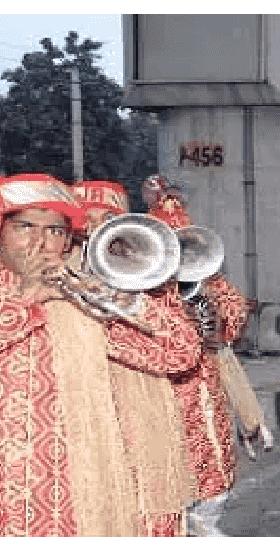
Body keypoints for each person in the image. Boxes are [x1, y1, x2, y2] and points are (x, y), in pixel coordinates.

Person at [0, 173, 204, 536]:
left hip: (75, 479)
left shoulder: (90, 288)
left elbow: (179, 353)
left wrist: (118, 299)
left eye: (55, 231)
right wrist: (20, 303)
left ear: (67, 240)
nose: (41, 243)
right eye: (25, 227)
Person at [70, 179, 198, 536]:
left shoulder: (146, 276)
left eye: (105, 218)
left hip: (138, 417)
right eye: (85, 218)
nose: (93, 227)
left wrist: (128, 303)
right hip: (77, 420)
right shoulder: (54, 275)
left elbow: (183, 352)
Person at [145, 176, 271, 536]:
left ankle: (205, 526)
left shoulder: (211, 281)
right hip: (155, 388)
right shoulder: (137, 283)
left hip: (204, 384)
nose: (176, 257)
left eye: (182, 246)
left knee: (213, 459)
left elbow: (234, 314)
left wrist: (219, 322)